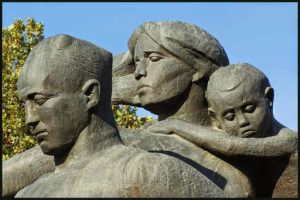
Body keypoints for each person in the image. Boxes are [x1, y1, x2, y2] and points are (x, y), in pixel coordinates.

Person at [3, 21, 252, 197]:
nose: (139, 71)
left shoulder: (146, 158)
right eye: (136, 62)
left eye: (153, 58)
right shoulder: (141, 140)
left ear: (198, 67)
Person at [148, 63, 298, 197]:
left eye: (250, 109)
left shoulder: (289, 140)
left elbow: (230, 146)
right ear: (215, 118)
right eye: (230, 116)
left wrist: (176, 125)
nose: (243, 122)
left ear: (269, 99)